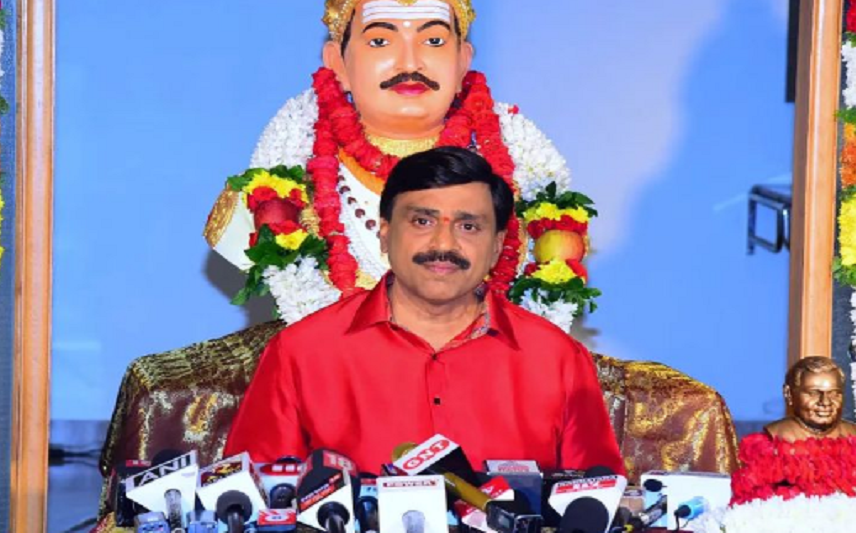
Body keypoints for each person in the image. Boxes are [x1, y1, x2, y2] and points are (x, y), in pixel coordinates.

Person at [205, 0, 598, 330]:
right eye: (380, 41)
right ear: (337, 63)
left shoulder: (523, 178)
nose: (410, 61)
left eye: (434, 41)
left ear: (463, 61)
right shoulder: (281, 180)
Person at [223, 147, 626, 474]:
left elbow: (597, 502)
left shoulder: (557, 359)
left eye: (468, 226)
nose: (443, 244)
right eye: (422, 221)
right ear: (385, 233)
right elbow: (251, 500)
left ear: (497, 245)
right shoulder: (301, 353)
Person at [763, 356, 856, 441]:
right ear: (788, 394)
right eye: (814, 393)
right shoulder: (775, 435)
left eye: (834, 393)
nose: (825, 402)